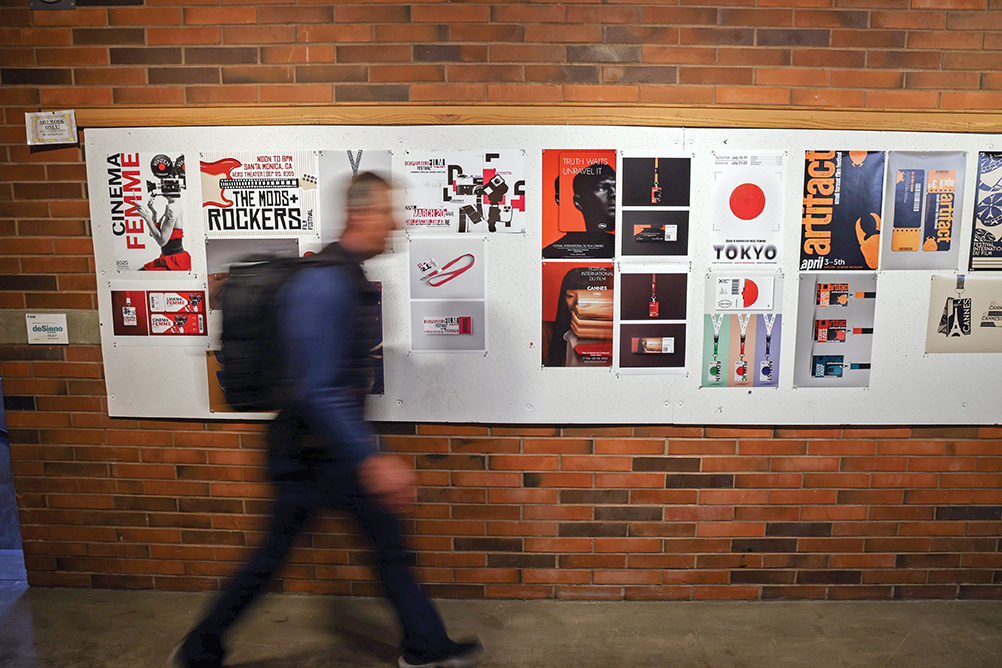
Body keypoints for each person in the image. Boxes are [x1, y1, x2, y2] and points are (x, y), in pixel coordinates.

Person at [171, 172, 483, 668]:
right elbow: (317, 387)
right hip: (307, 455)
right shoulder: (325, 281)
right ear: (360, 215)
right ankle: (200, 646)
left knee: (387, 551)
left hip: (328, 450)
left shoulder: (347, 276)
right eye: (387, 211)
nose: (396, 223)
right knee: (274, 559)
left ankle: (425, 646)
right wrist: (372, 458)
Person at [542, 162, 616, 259]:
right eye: (603, 188)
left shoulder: (624, 248)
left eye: (616, 187)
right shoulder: (550, 254)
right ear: (579, 202)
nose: (613, 193)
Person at [137, 193, 191, 271]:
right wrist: (153, 213)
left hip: (175, 262)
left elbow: (162, 241)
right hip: (166, 258)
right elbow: (152, 233)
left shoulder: (171, 208)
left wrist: (147, 217)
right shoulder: (171, 206)